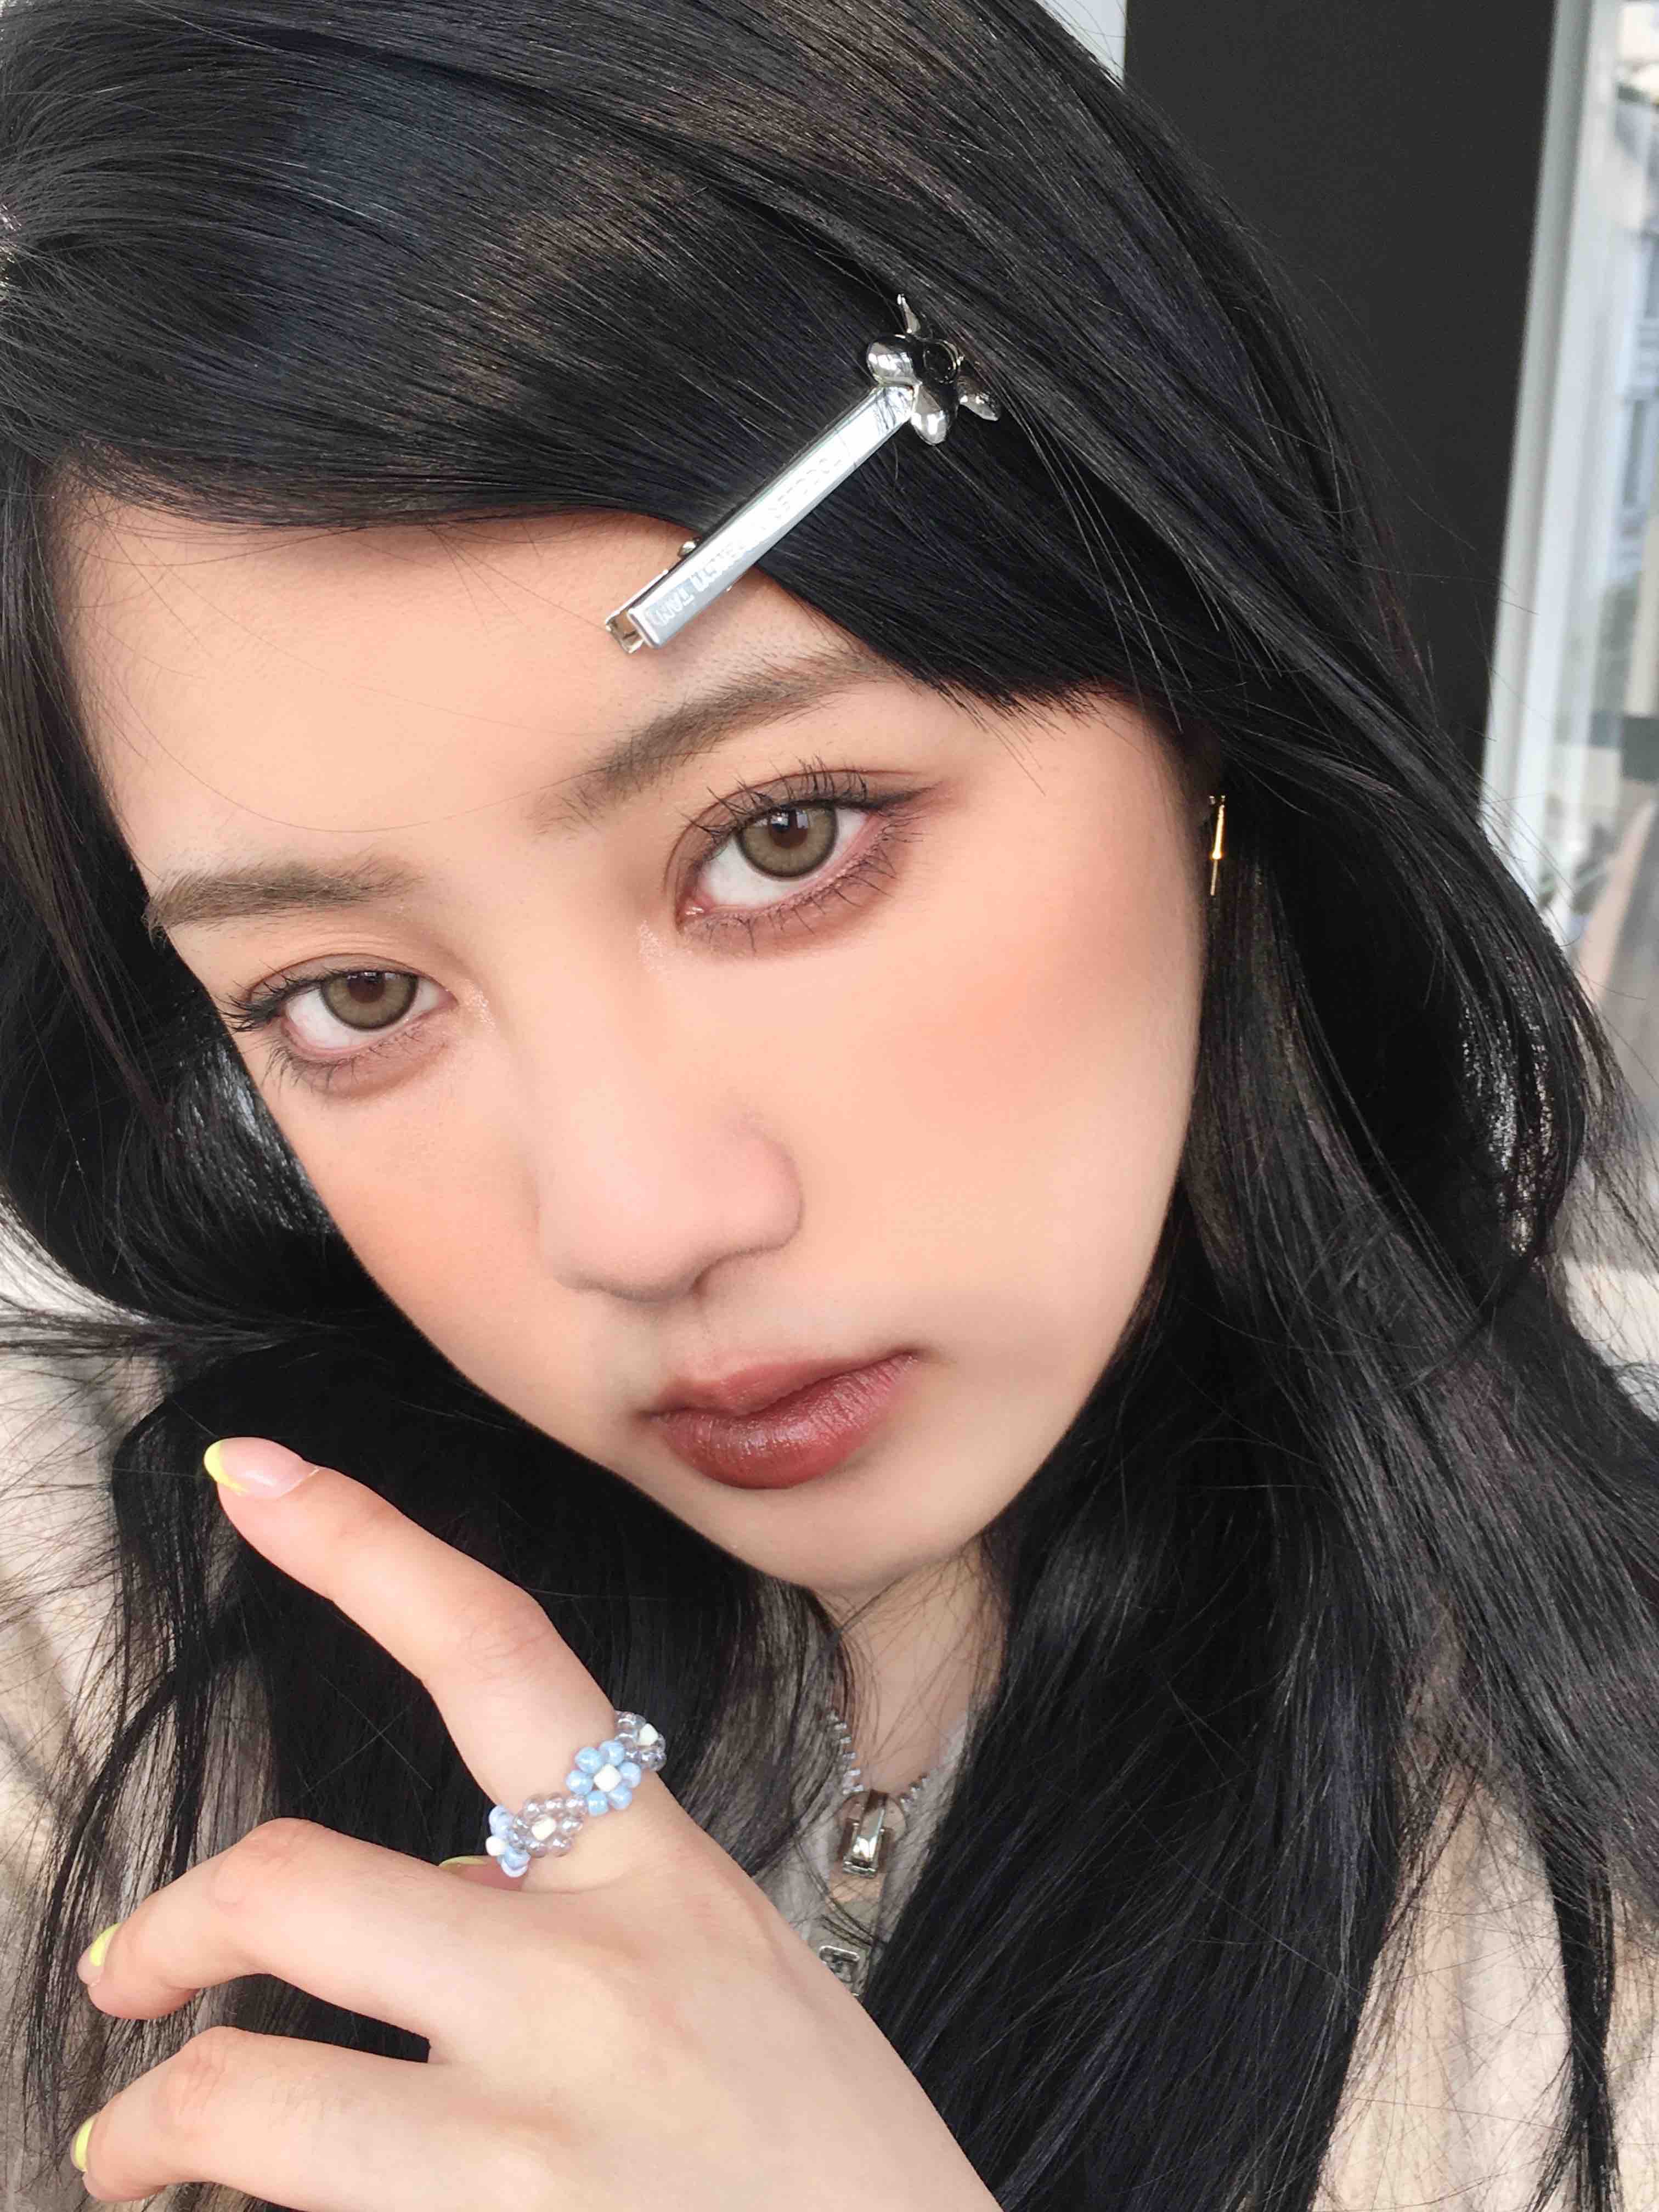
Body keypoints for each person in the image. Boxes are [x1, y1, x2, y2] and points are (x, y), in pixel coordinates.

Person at [0, 0, 1656, 2205]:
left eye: (786, 839)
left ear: (1199, 694)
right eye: (352, 993)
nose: (635, 1219)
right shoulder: (92, 1613)